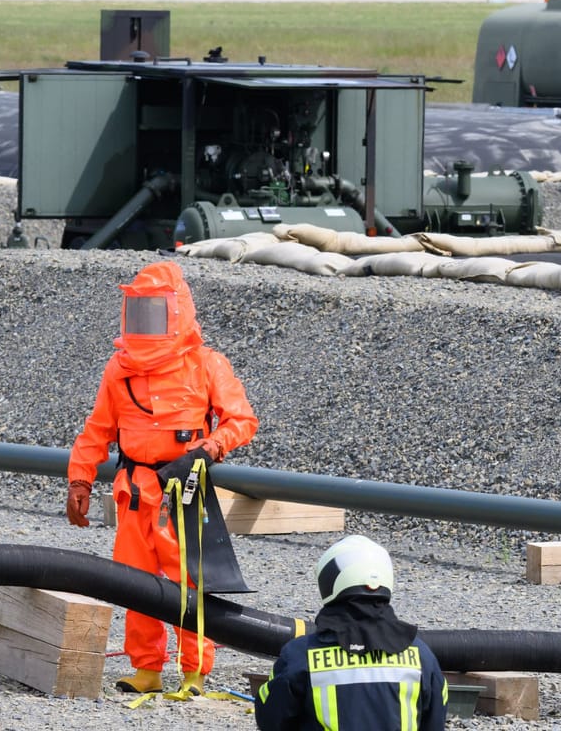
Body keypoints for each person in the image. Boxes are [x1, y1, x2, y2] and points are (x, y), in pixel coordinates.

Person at [66, 259, 258, 696]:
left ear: (176, 311)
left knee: (191, 583)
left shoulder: (206, 364)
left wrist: (208, 449)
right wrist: (79, 480)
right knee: (134, 582)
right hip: (134, 494)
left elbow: (242, 420)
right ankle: (147, 669)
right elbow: (97, 430)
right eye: (140, 311)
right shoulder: (120, 369)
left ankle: (194, 672)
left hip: (183, 493)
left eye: (154, 311)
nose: (145, 321)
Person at [255, 535, 448, 730]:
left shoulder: (300, 655)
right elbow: (435, 720)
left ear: (329, 580)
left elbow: (270, 718)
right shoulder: (421, 656)